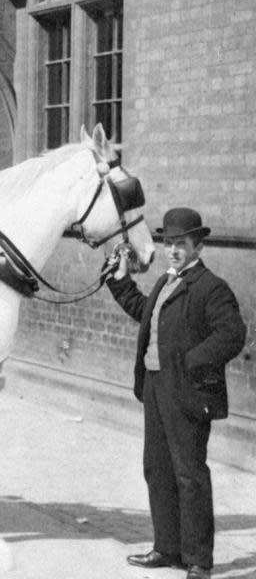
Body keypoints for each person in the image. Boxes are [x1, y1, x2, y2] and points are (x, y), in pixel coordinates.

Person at [107, 208, 247, 579]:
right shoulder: (165, 282)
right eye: (168, 243)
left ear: (198, 247)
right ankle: (167, 548)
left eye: (181, 244)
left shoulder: (211, 287)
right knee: (157, 470)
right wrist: (120, 282)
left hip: (186, 390)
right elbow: (144, 312)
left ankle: (198, 560)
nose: (173, 250)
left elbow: (232, 334)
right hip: (155, 387)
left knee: (189, 475)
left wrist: (190, 361)